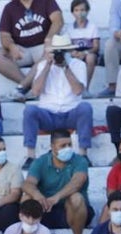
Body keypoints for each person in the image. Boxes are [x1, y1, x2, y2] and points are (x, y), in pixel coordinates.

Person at [21, 36, 93, 165]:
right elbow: (36, 91)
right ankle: (30, 156)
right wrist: (48, 66)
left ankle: (83, 154)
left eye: (63, 52)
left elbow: (78, 90)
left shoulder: (79, 65)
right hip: (48, 114)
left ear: (69, 52)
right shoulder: (43, 65)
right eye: (57, 52)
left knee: (85, 108)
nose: (60, 55)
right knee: (29, 110)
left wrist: (66, 68)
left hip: (71, 112)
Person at [21, 129, 91, 234]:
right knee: (27, 198)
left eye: (69, 144)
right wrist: (38, 196)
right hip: (46, 209)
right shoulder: (40, 162)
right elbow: (27, 184)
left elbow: (77, 182)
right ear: (52, 147)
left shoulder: (80, 161)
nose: (67, 148)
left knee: (76, 198)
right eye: (63, 145)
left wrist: (56, 197)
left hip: (75, 212)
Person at [0, 0, 63, 89]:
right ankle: (29, 86)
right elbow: (4, 35)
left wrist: (49, 38)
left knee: (53, 50)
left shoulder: (46, 1)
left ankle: (23, 87)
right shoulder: (9, 7)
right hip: (21, 50)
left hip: (42, 47)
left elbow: (58, 21)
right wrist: (11, 46)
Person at [65, 0, 99, 91]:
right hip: (74, 52)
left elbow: (96, 46)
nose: (79, 13)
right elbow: (67, 45)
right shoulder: (69, 28)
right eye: (76, 10)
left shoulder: (92, 27)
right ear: (72, 12)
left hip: (88, 52)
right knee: (65, 58)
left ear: (87, 11)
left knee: (90, 58)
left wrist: (85, 53)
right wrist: (73, 53)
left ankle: (85, 87)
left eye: (82, 10)